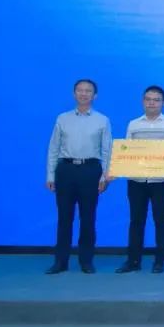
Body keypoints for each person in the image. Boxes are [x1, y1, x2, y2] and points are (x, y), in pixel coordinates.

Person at [45, 79, 113, 274]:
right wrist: (50, 175)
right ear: (74, 93)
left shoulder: (102, 120)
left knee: (88, 217)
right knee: (64, 218)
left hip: (90, 170)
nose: (84, 94)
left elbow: (107, 150)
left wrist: (105, 177)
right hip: (65, 170)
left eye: (88, 91)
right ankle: (60, 262)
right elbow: (53, 148)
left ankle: (86, 261)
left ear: (94, 96)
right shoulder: (62, 118)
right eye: (80, 90)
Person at [115, 85, 164, 274]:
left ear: (163, 103)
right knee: (136, 220)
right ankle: (133, 260)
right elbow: (126, 150)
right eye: (148, 99)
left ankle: (160, 260)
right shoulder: (134, 124)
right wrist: (121, 168)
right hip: (136, 180)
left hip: (160, 180)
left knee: (161, 220)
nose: (152, 103)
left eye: (156, 100)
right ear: (143, 101)